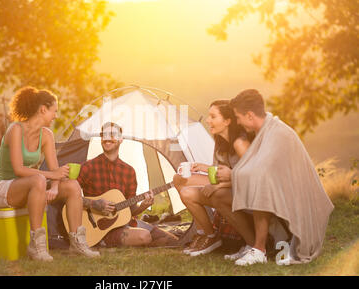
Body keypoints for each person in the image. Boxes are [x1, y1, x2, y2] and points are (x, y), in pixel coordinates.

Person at [0, 86, 99, 261]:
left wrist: (55, 187)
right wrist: (52, 176)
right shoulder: (15, 129)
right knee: (39, 179)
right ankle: (36, 246)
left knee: (72, 185)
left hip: (34, 188)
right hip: (4, 189)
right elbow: (19, 169)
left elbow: (55, 169)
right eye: (54, 111)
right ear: (43, 109)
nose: (55, 116)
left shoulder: (47, 135)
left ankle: (78, 243)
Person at [226, 89, 334, 265]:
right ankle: (257, 245)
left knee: (260, 183)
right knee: (255, 182)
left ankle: (259, 250)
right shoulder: (265, 130)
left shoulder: (278, 133)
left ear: (250, 115)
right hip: (287, 190)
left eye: (238, 117)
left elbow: (261, 171)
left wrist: (233, 174)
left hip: (299, 197)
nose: (237, 122)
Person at [173, 100, 255, 257]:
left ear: (227, 121)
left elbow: (252, 177)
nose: (208, 120)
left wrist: (217, 187)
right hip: (229, 186)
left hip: (246, 191)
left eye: (213, 116)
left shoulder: (239, 142)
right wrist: (204, 167)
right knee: (179, 180)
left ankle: (245, 243)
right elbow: (222, 171)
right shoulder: (220, 140)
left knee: (189, 193)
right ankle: (206, 234)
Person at [77, 122, 179, 247]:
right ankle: (102, 240)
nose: (107, 138)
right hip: (99, 228)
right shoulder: (88, 167)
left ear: (121, 139)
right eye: (104, 135)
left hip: (124, 223)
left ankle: (125, 239)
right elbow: (69, 197)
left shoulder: (128, 171)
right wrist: (94, 204)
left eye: (112, 134)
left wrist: (143, 206)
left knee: (173, 241)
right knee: (144, 236)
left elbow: (131, 210)